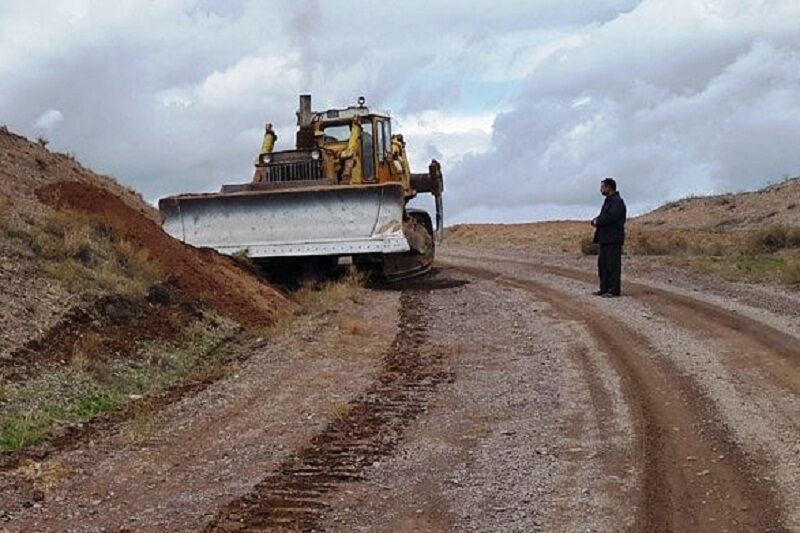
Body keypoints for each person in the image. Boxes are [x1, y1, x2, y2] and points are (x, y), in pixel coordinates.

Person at [591, 178, 627, 297]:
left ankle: (613, 290)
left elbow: (610, 218)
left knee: (613, 265)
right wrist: (596, 220)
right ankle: (604, 288)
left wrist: (598, 221)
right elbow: (604, 216)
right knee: (603, 265)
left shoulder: (617, 202)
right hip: (605, 239)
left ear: (609, 187)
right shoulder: (608, 201)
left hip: (613, 239)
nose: (601, 189)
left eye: (603, 187)